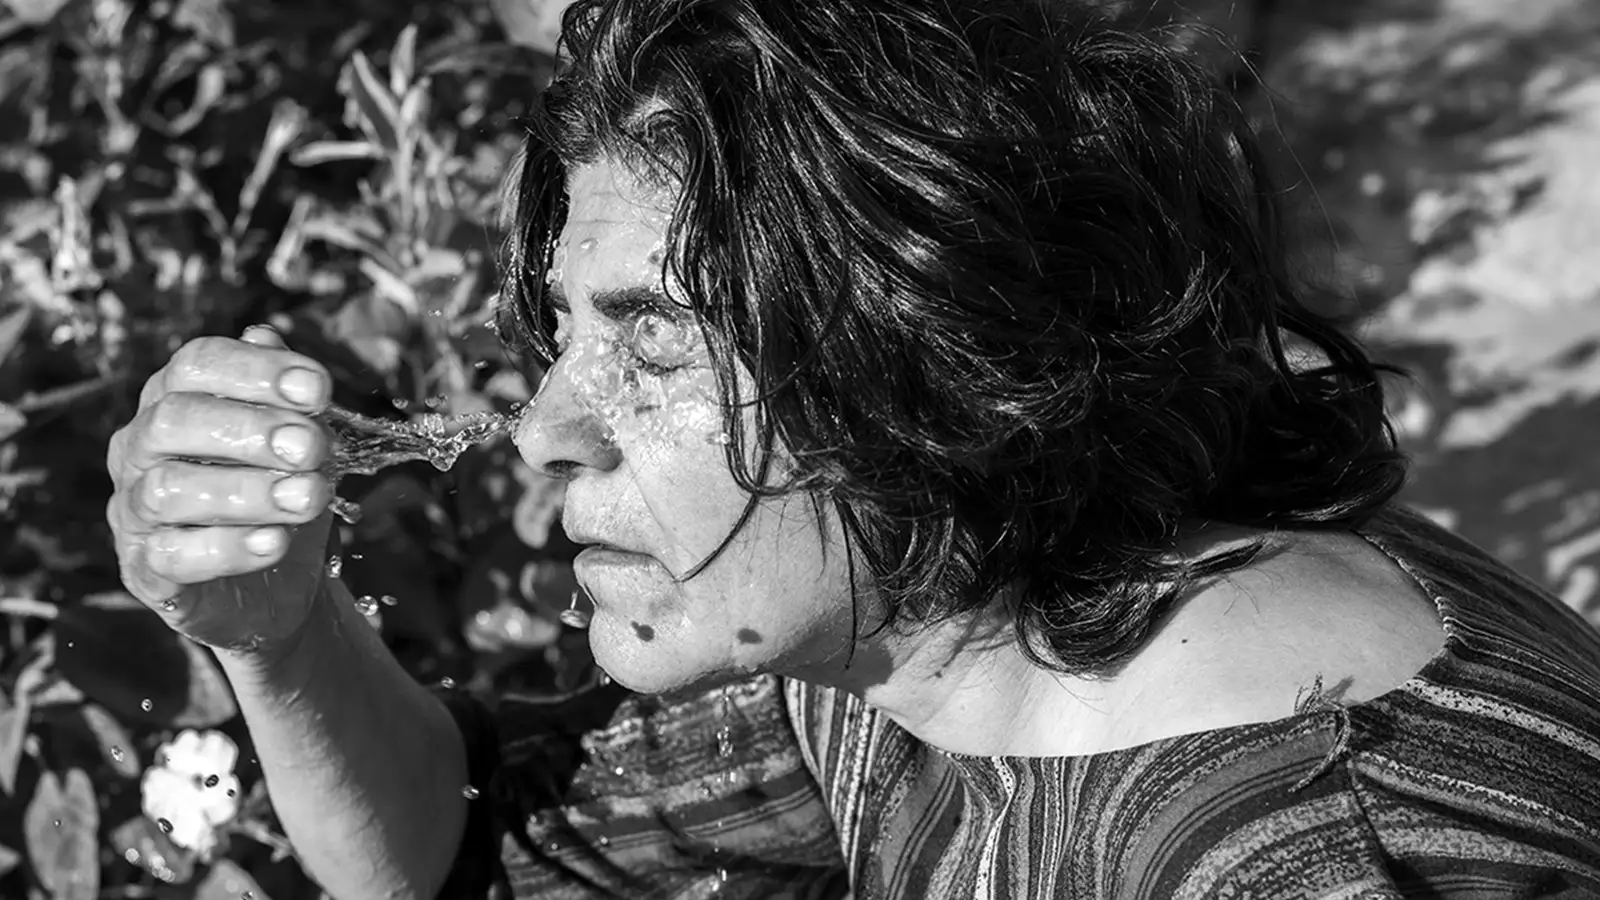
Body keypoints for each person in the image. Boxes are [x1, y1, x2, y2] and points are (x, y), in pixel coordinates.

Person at [105, 0, 1600, 897]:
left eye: (652, 339)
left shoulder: (1296, 858)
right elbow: (481, 849)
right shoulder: (936, 624)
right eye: (558, 334)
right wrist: (278, 634)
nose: (546, 430)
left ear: (923, 345)